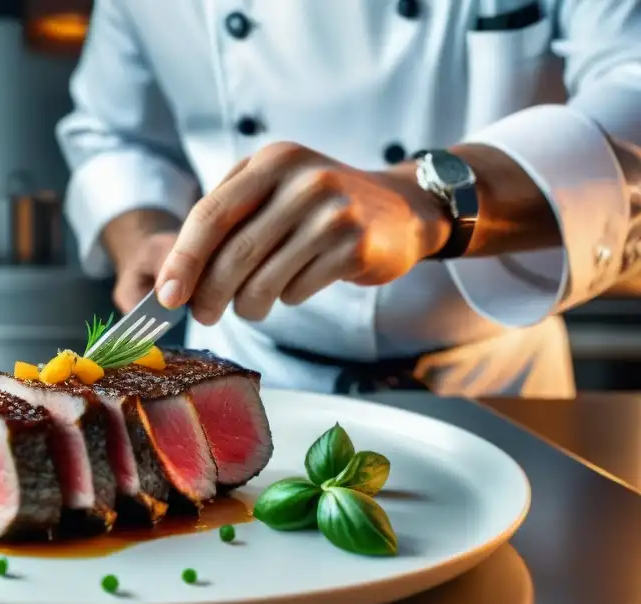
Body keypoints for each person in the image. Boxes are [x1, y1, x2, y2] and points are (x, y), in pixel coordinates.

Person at [56, 0, 641, 397]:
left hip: (493, 382)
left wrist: (424, 198)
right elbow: (114, 134)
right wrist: (146, 235)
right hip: (245, 373)